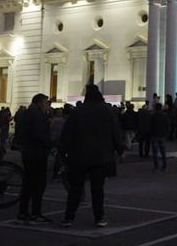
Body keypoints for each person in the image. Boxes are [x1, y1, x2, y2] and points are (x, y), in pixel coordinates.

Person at [59, 84, 125, 228]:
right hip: (100, 156)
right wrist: (120, 150)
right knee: (97, 189)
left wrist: (62, 152)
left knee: (76, 188)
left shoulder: (78, 111)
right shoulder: (107, 110)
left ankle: (68, 217)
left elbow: (67, 134)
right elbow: (116, 132)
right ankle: (99, 217)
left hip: (79, 156)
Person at [14, 93, 53, 222]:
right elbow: (40, 134)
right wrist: (50, 144)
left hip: (29, 151)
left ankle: (23, 212)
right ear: (40, 102)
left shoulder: (27, 113)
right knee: (38, 184)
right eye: (46, 102)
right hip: (37, 152)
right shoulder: (37, 115)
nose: (47, 105)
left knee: (28, 184)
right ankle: (36, 212)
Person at [150, 103, 169, 171]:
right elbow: (167, 125)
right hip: (162, 135)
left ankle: (156, 166)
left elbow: (151, 125)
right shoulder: (164, 115)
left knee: (155, 152)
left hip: (155, 135)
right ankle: (164, 166)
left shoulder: (153, 116)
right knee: (163, 151)